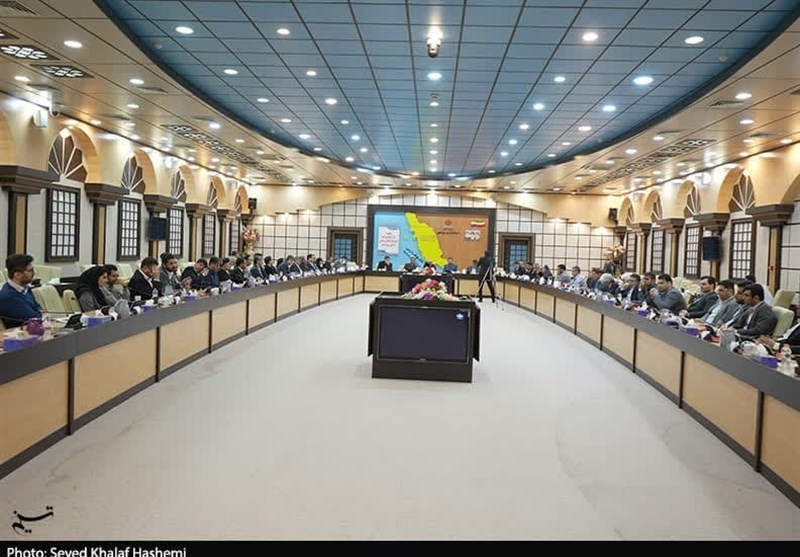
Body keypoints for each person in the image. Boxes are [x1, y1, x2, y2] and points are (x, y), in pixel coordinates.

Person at [0, 253, 42, 328]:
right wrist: (42, 315)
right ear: (17, 275)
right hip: (19, 332)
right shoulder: (8, 297)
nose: (33, 273)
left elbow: (39, 308)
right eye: (30, 271)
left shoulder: (25, 289)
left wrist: (42, 315)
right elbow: (32, 318)